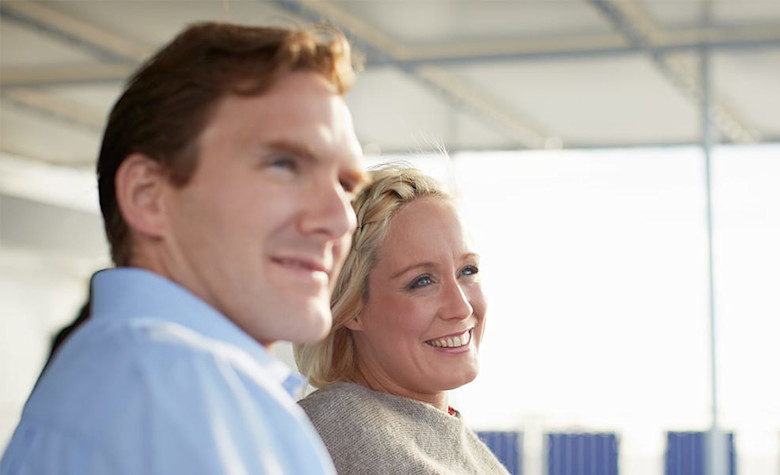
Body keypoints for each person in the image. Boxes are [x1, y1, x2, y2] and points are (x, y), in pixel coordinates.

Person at [1, 22, 367, 474]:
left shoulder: (114, 375)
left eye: (347, 185)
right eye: (283, 164)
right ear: (147, 196)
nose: (340, 218)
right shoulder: (181, 382)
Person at [294, 164, 509, 474]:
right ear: (352, 305)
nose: (461, 308)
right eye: (422, 281)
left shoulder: (460, 445)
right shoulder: (336, 429)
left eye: (467, 271)